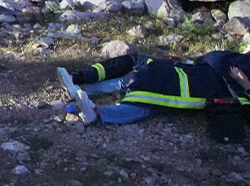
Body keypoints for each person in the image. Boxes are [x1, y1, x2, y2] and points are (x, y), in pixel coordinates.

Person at [57, 50, 250, 125]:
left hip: (200, 87)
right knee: (138, 76)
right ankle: (84, 87)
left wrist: (246, 86)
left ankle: (96, 112)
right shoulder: (240, 58)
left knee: (146, 100)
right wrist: (192, 61)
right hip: (193, 72)